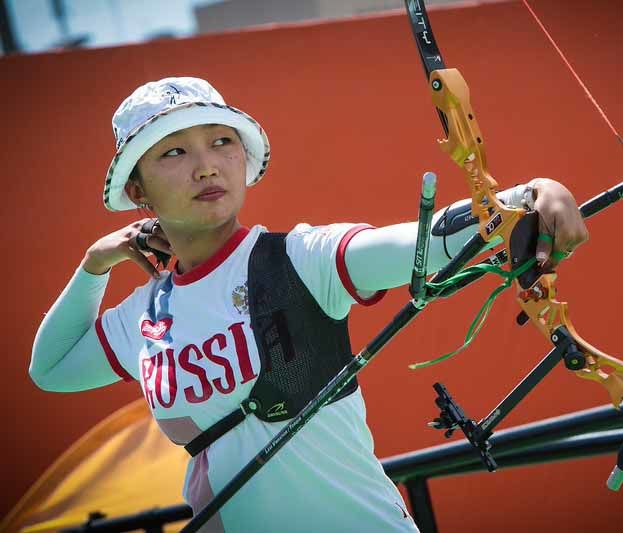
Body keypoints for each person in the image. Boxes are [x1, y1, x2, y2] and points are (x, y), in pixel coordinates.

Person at [30, 77, 588, 532]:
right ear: (138, 192)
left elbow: (415, 242)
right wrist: (94, 264)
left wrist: (526, 197)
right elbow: (50, 370)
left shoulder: (298, 258)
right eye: (174, 151)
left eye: (221, 142)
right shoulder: (145, 313)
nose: (206, 166)